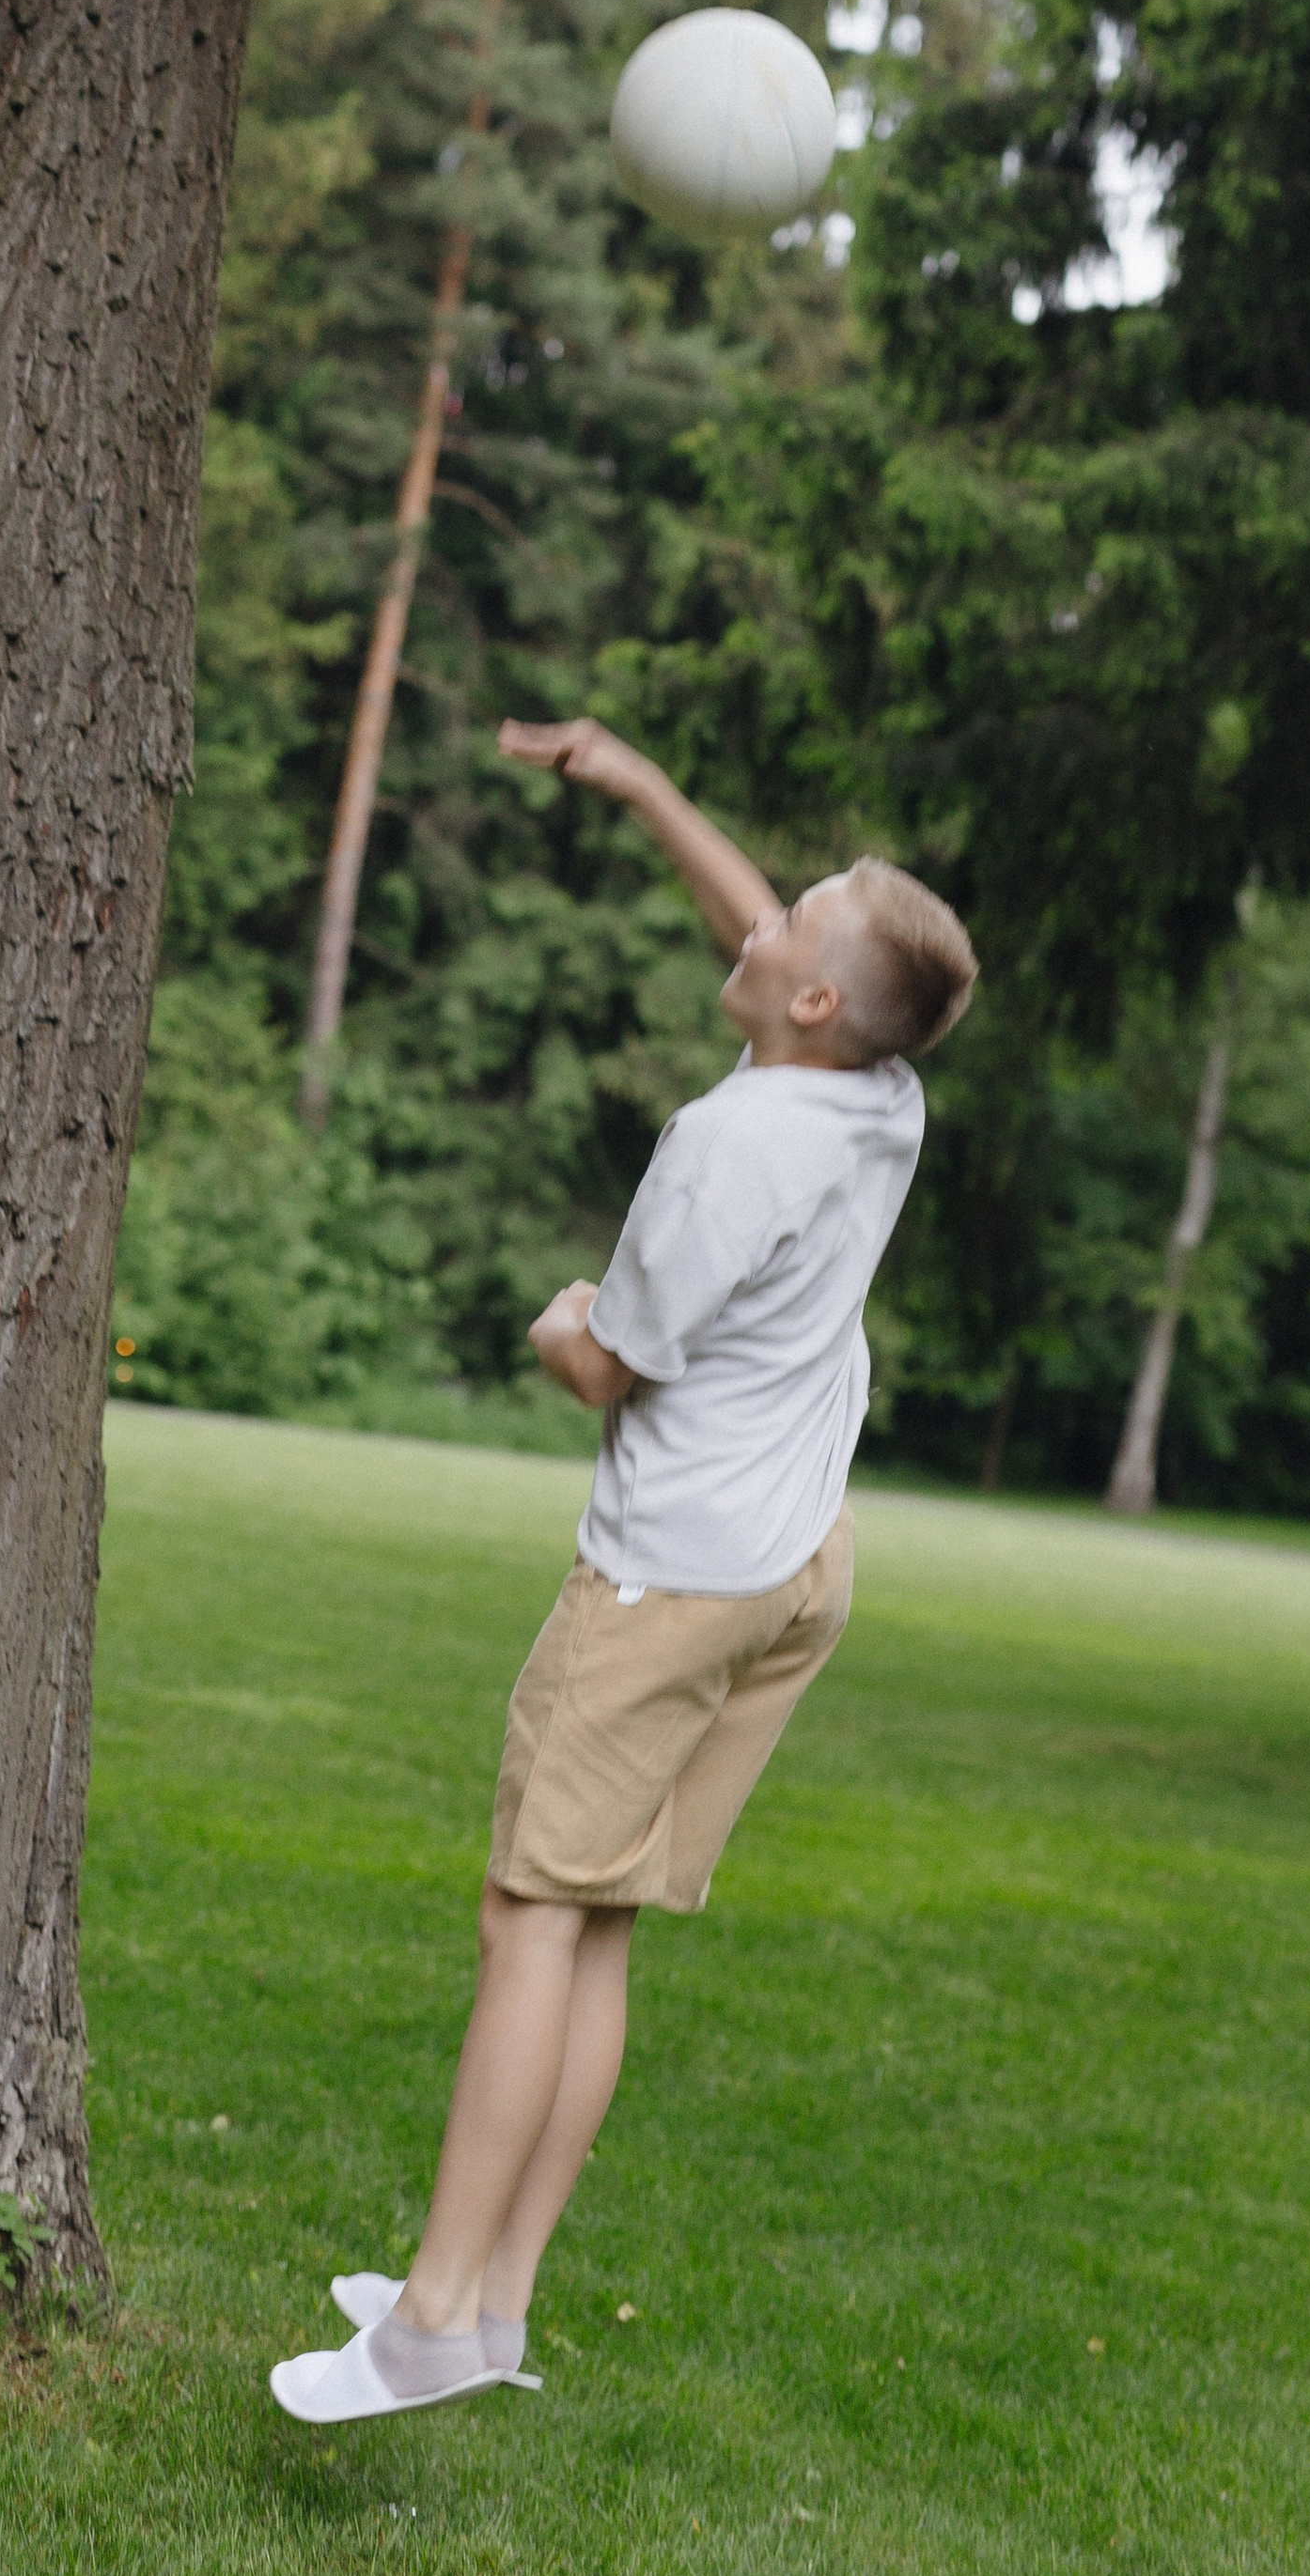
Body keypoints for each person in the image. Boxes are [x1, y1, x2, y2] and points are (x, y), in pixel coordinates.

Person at [270, 717, 978, 2424]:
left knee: (530, 1915)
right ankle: (496, 2310)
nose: (758, 917)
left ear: (814, 997)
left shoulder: (727, 1150)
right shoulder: (880, 1098)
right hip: (797, 1568)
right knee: (594, 1929)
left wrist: (556, 1319)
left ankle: (431, 2319)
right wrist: (647, 786)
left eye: (791, 921)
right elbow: (776, 945)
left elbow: (606, 1368)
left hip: (670, 1582)